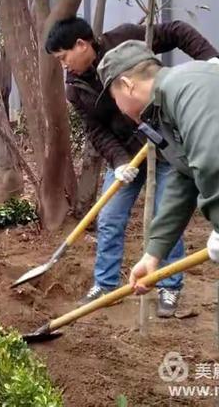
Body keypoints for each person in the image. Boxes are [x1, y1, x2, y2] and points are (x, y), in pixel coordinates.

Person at [45, 17, 218, 317]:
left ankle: (169, 286)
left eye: (63, 57)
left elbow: (209, 160)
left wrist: (211, 60)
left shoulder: (180, 89)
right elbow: (97, 132)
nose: (63, 66)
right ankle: (106, 284)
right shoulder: (76, 88)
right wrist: (121, 162)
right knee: (111, 216)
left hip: (164, 148)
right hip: (127, 154)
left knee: (164, 206)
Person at [95, 41, 219, 297]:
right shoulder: (164, 112)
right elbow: (184, 177)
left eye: (115, 98)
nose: (118, 109)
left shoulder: (187, 87)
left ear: (128, 85)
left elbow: (211, 161)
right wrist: (153, 255)